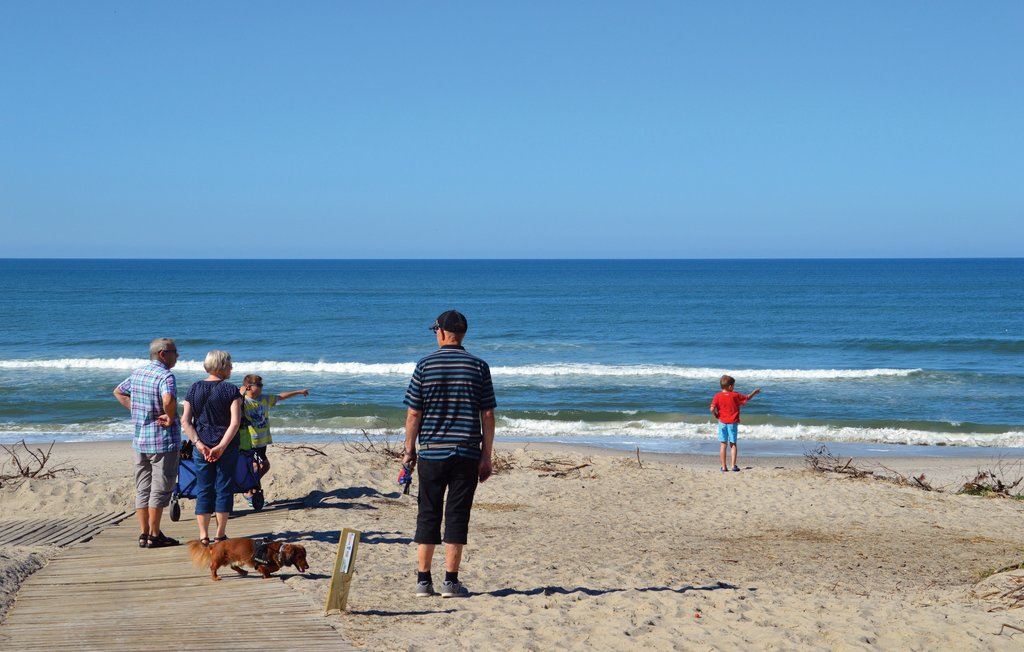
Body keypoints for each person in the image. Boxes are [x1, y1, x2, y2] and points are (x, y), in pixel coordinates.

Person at [403, 310, 497, 599]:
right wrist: (486, 455)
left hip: (432, 451)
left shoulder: (425, 365)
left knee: (428, 512)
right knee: (457, 514)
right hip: (467, 452)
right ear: (463, 333)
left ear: (442, 332)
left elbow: (414, 412)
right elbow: (488, 413)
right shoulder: (479, 366)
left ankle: (423, 582)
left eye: (435, 330)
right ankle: (450, 583)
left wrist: (409, 451)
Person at [113, 338, 182, 549]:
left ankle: (144, 534)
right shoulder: (165, 375)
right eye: (174, 352)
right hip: (162, 440)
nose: (177, 356)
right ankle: (154, 534)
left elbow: (118, 391)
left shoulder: (138, 373)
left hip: (140, 439)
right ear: (163, 354)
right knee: (160, 488)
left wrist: (137, 410)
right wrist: (169, 417)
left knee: (143, 487)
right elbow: (168, 400)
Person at [181, 350, 241, 546]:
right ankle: (220, 535)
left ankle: (203, 535)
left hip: (202, 447)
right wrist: (222, 447)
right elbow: (235, 423)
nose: (232, 367)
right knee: (224, 488)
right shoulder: (231, 390)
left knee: (204, 489)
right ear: (221, 366)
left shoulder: (194, 388)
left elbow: (185, 421)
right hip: (227, 446)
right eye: (229, 364)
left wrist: (199, 444)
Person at [237, 374, 310, 501]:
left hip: (262, 440)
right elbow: (230, 402)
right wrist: (240, 392)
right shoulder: (243, 401)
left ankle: (248, 488)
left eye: (261, 385)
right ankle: (248, 492)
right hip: (250, 441)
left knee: (262, 466)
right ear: (249, 387)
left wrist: (299, 391)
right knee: (260, 465)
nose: (261, 387)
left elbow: (281, 396)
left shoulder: (264, 399)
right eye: (258, 385)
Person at [710, 374, 761, 473]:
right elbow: (747, 398)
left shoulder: (717, 396)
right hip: (733, 422)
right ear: (730, 387)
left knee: (723, 444)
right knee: (733, 444)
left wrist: (716, 415)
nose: (734, 388)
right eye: (733, 386)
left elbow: (711, 408)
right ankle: (733, 466)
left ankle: (724, 467)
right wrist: (754, 392)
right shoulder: (735, 395)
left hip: (722, 422)